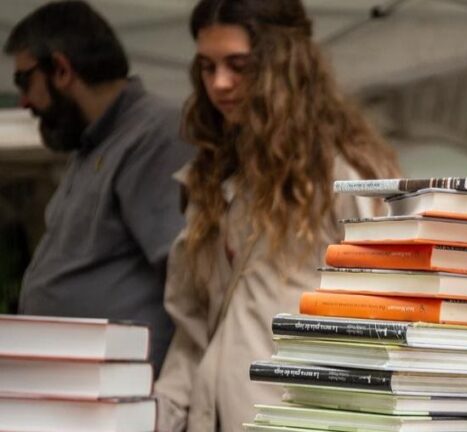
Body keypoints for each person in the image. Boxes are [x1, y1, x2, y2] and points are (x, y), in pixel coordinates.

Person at [152, 0, 400, 430]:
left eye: (238, 65)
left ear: (283, 64)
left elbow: (392, 316)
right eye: (207, 67)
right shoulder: (212, 177)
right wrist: (159, 416)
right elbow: (193, 334)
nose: (220, 84)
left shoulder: (347, 175)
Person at [3, 1, 193, 373]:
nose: (24, 100)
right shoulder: (91, 145)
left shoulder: (154, 136)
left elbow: (188, 285)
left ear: (61, 69)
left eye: (24, 80)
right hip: (77, 394)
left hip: (122, 400)